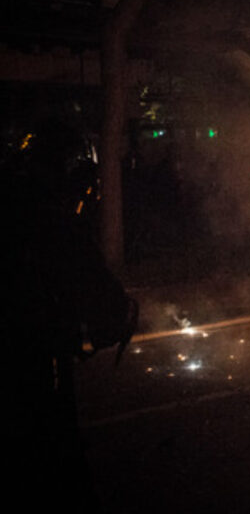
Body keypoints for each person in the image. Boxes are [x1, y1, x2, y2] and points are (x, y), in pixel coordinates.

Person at [0, 118, 138, 505]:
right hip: (32, 359)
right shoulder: (50, 219)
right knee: (52, 456)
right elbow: (97, 296)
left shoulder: (16, 203)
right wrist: (120, 315)